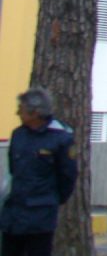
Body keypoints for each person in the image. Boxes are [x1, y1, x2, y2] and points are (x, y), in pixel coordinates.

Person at [1, 88, 77, 256]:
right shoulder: (19, 134)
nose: (17, 113)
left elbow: (67, 177)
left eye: (20, 109)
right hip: (14, 213)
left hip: (40, 214)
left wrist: (50, 199)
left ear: (35, 112)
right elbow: (14, 169)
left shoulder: (60, 138)